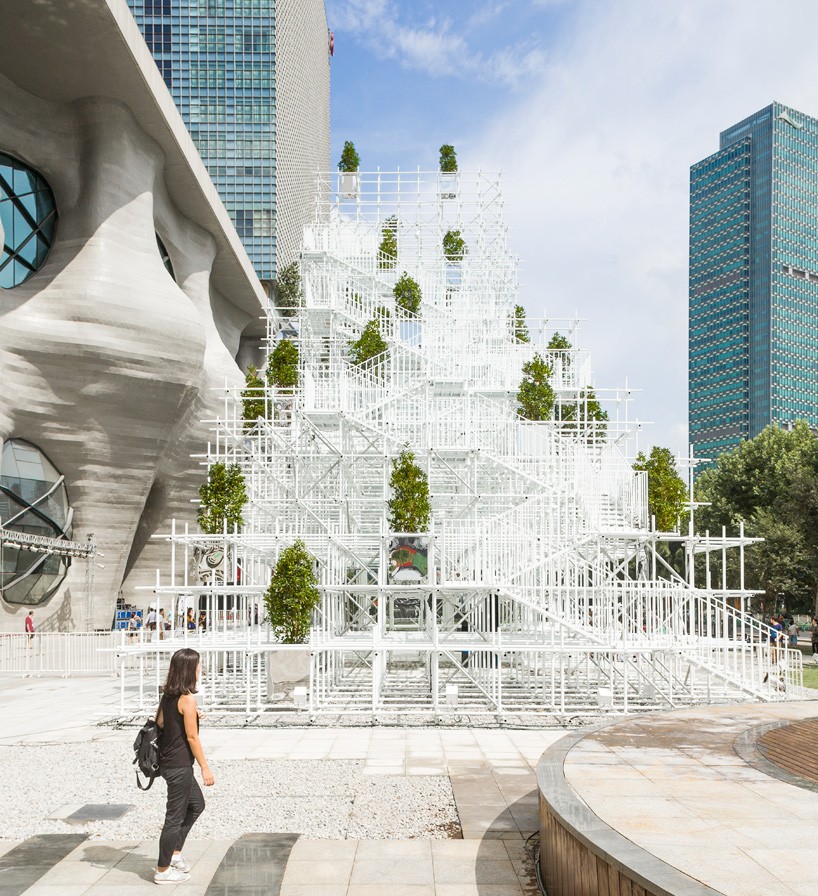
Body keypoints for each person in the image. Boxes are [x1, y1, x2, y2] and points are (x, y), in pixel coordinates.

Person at [154, 647, 214, 885]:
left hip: (170, 764)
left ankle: (175, 853)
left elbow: (159, 721)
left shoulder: (169, 695)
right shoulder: (187, 699)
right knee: (174, 818)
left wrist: (189, 715)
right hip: (180, 767)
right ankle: (162, 870)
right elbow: (192, 738)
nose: (201, 669)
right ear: (190, 669)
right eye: (198, 665)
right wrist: (205, 768)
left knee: (197, 805)